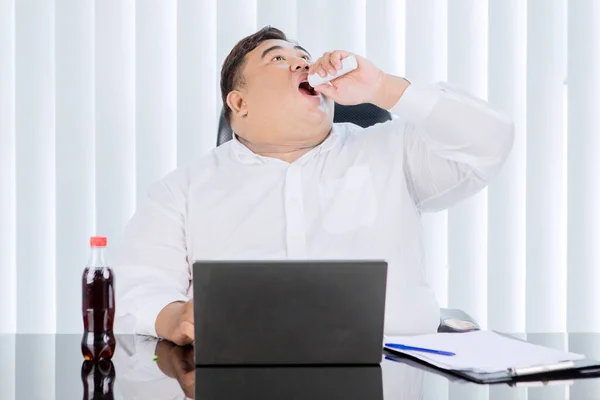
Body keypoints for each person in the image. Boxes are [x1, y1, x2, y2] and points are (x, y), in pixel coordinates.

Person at [113, 26, 514, 346]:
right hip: (244, 379)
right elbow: (137, 292)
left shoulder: (394, 151)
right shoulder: (180, 190)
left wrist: (382, 87)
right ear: (239, 103)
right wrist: (176, 317)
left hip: (394, 371)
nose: (302, 65)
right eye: (278, 59)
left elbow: (489, 141)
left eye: (304, 57)